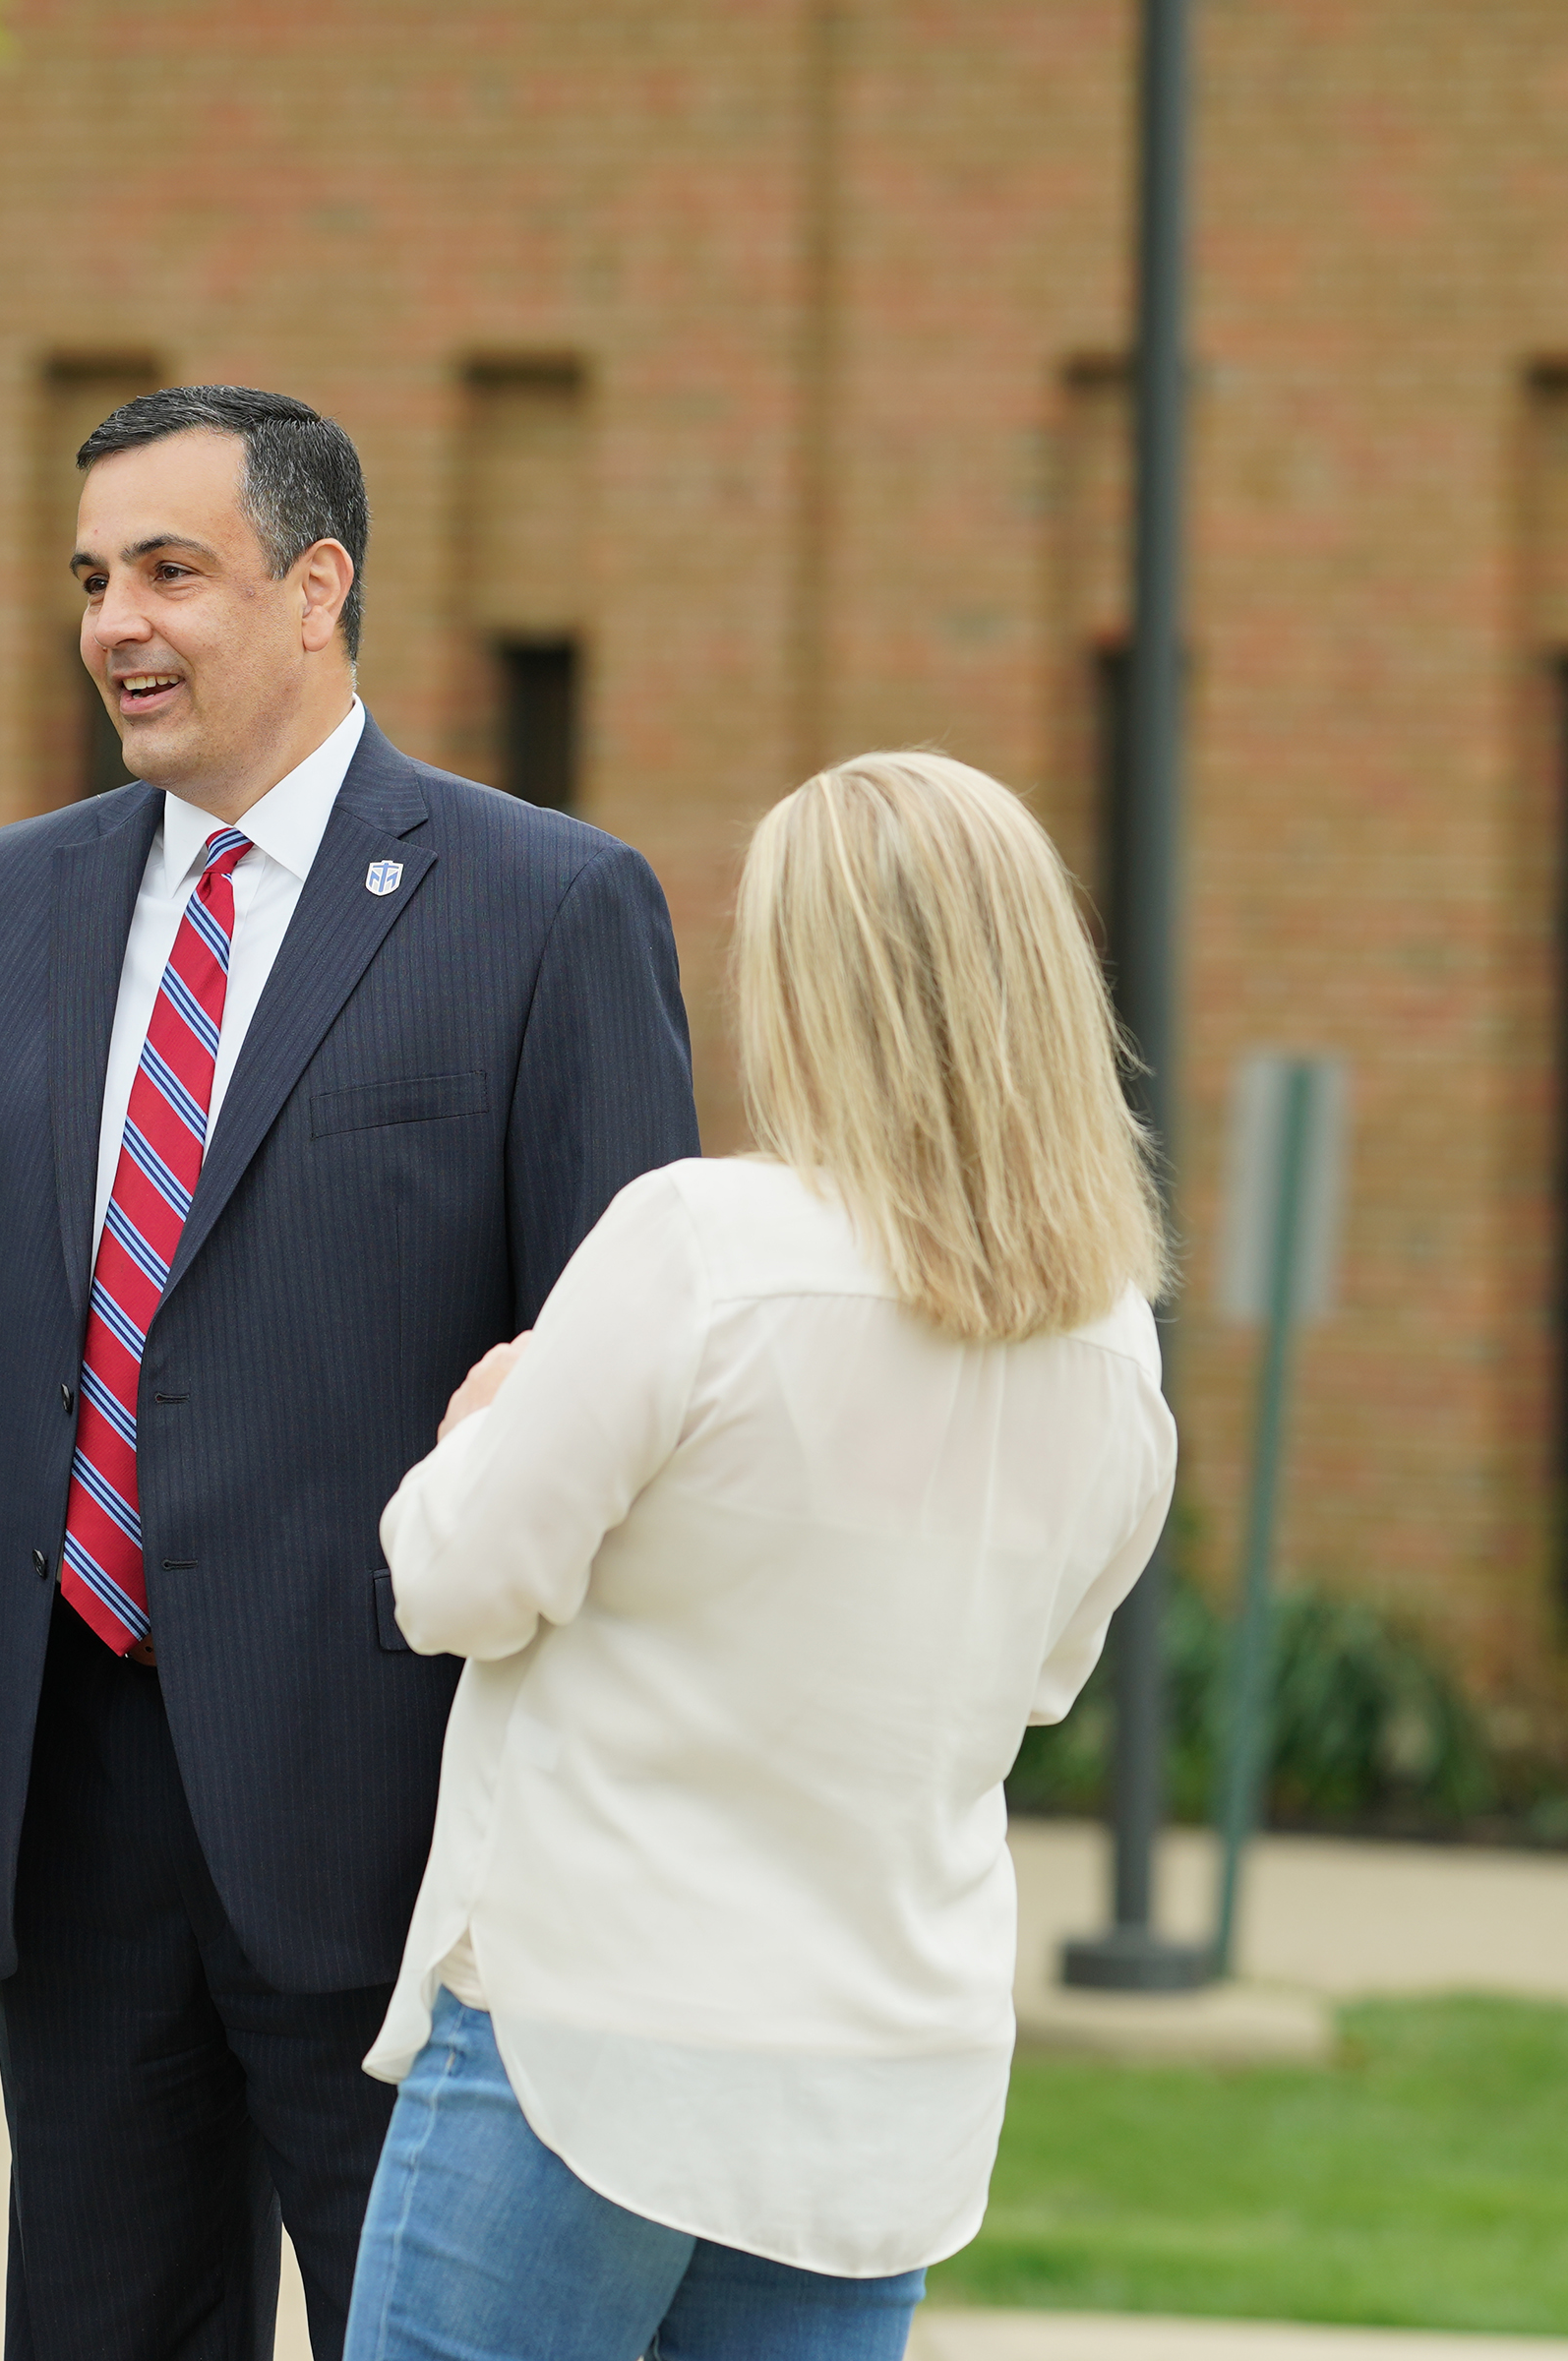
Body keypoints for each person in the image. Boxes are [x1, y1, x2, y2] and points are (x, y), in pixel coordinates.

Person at [0, 385, 700, 2358]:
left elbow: (634, 1399)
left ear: (314, 588)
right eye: (93, 577)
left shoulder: (542, 910)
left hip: (400, 1817)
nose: (115, 620)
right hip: (73, 1801)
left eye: (169, 572)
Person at [345, 751, 1180, 2361]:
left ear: (813, 986)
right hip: (877, 2084)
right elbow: (1041, 1681)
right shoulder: (1108, 1341)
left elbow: (451, 1586)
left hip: (595, 2042)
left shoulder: (701, 1247)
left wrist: (482, 1418)